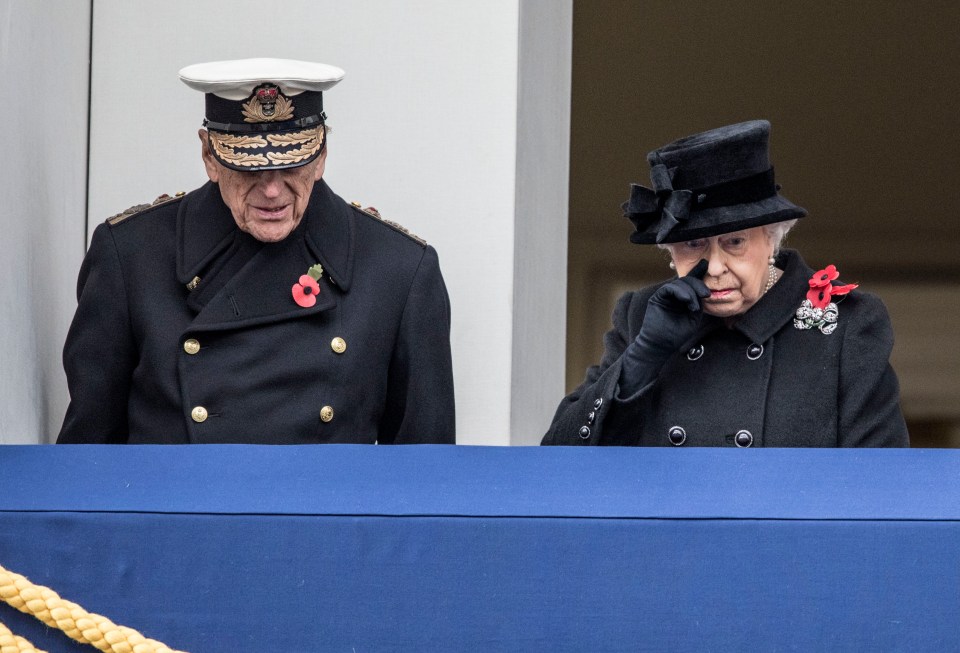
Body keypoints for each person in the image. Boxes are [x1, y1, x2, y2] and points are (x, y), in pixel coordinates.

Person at [58, 58, 455, 444]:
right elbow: (87, 463)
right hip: (178, 509)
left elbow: (423, 481)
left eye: (291, 165)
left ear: (321, 156)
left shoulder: (399, 270)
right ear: (209, 156)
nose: (271, 190)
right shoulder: (131, 256)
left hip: (323, 511)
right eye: (249, 168)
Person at [543, 120, 908, 447]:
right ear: (670, 252)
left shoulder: (848, 324)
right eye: (693, 244)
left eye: (734, 242)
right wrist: (642, 360)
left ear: (772, 238)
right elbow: (560, 463)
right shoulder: (638, 314)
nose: (714, 267)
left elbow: (877, 487)